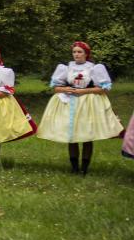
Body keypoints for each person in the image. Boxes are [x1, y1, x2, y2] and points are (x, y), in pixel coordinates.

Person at [36, 41, 124, 175]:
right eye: (74, 52)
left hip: (87, 104)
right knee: (71, 136)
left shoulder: (94, 68)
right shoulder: (66, 68)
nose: (76, 54)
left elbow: (103, 89)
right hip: (69, 102)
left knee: (86, 135)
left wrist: (83, 91)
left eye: (79, 52)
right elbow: (56, 88)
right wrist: (65, 89)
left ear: (86, 54)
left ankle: (84, 168)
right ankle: (74, 167)